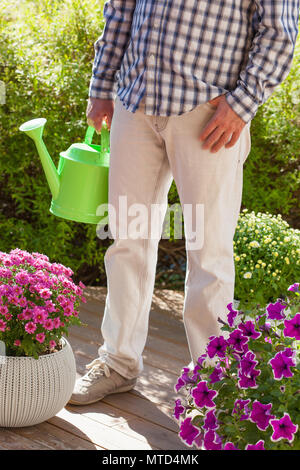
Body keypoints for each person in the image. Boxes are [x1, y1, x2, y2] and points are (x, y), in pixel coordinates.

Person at [69, 0, 299, 405]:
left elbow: (279, 31)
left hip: (209, 113)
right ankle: (118, 363)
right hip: (134, 102)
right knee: (127, 239)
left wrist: (242, 104)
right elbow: (120, 9)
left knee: (208, 251)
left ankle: (215, 383)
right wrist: (102, 87)